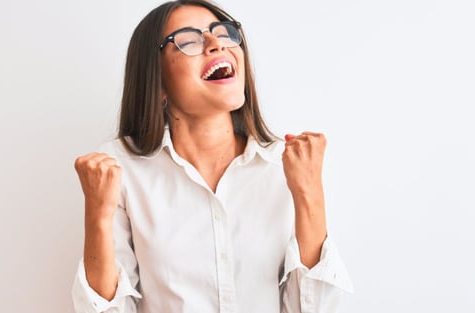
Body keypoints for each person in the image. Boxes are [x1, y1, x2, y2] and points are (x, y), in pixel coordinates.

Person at [71, 0, 353, 312]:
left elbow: (319, 309)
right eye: (189, 40)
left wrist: (309, 193)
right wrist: (97, 214)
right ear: (158, 80)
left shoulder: (286, 166)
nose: (216, 43)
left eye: (224, 33)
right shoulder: (119, 168)